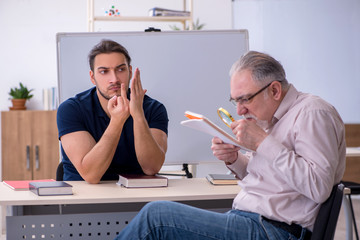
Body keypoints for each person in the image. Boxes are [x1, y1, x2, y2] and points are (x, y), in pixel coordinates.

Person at [114, 51, 346, 240]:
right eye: (235, 101)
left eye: (245, 99)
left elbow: (318, 187)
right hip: (252, 221)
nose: (239, 111)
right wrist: (235, 160)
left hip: (276, 231)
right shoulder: (270, 118)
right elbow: (270, 180)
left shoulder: (312, 113)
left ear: (274, 90)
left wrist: (263, 142)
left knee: (157, 216)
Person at [57, 40, 168, 184]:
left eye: (121, 69)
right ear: (92, 77)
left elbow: (151, 168)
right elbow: (91, 174)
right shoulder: (71, 109)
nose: (114, 79)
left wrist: (138, 115)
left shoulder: (153, 109)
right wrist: (117, 121)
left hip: (135, 195)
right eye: (104, 72)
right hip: (83, 197)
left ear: (129, 71)